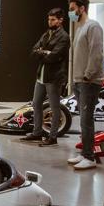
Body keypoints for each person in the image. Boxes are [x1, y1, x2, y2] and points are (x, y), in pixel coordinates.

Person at [21, 8, 70, 146]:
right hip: (41, 76)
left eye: (53, 19)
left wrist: (42, 52)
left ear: (60, 20)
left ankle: (52, 137)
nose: (50, 22)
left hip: (54, 77)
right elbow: (33, 51)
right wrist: (44, 52)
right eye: (49, 19)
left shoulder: (64, 37)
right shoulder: (46, 34)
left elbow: (54, 57)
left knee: (55, 108)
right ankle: (37, 133)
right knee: (36, 103)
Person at [67, 0, 104, 170]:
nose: (70, 12)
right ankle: (85, 153)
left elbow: (96, 53)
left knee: (87, 120)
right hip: (79, 81)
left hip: (88, 81)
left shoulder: (93, 26)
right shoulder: (80, 27)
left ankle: (90, 157)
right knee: (83, 120)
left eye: (72, 8)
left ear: (81, 9)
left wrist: (88, 75)